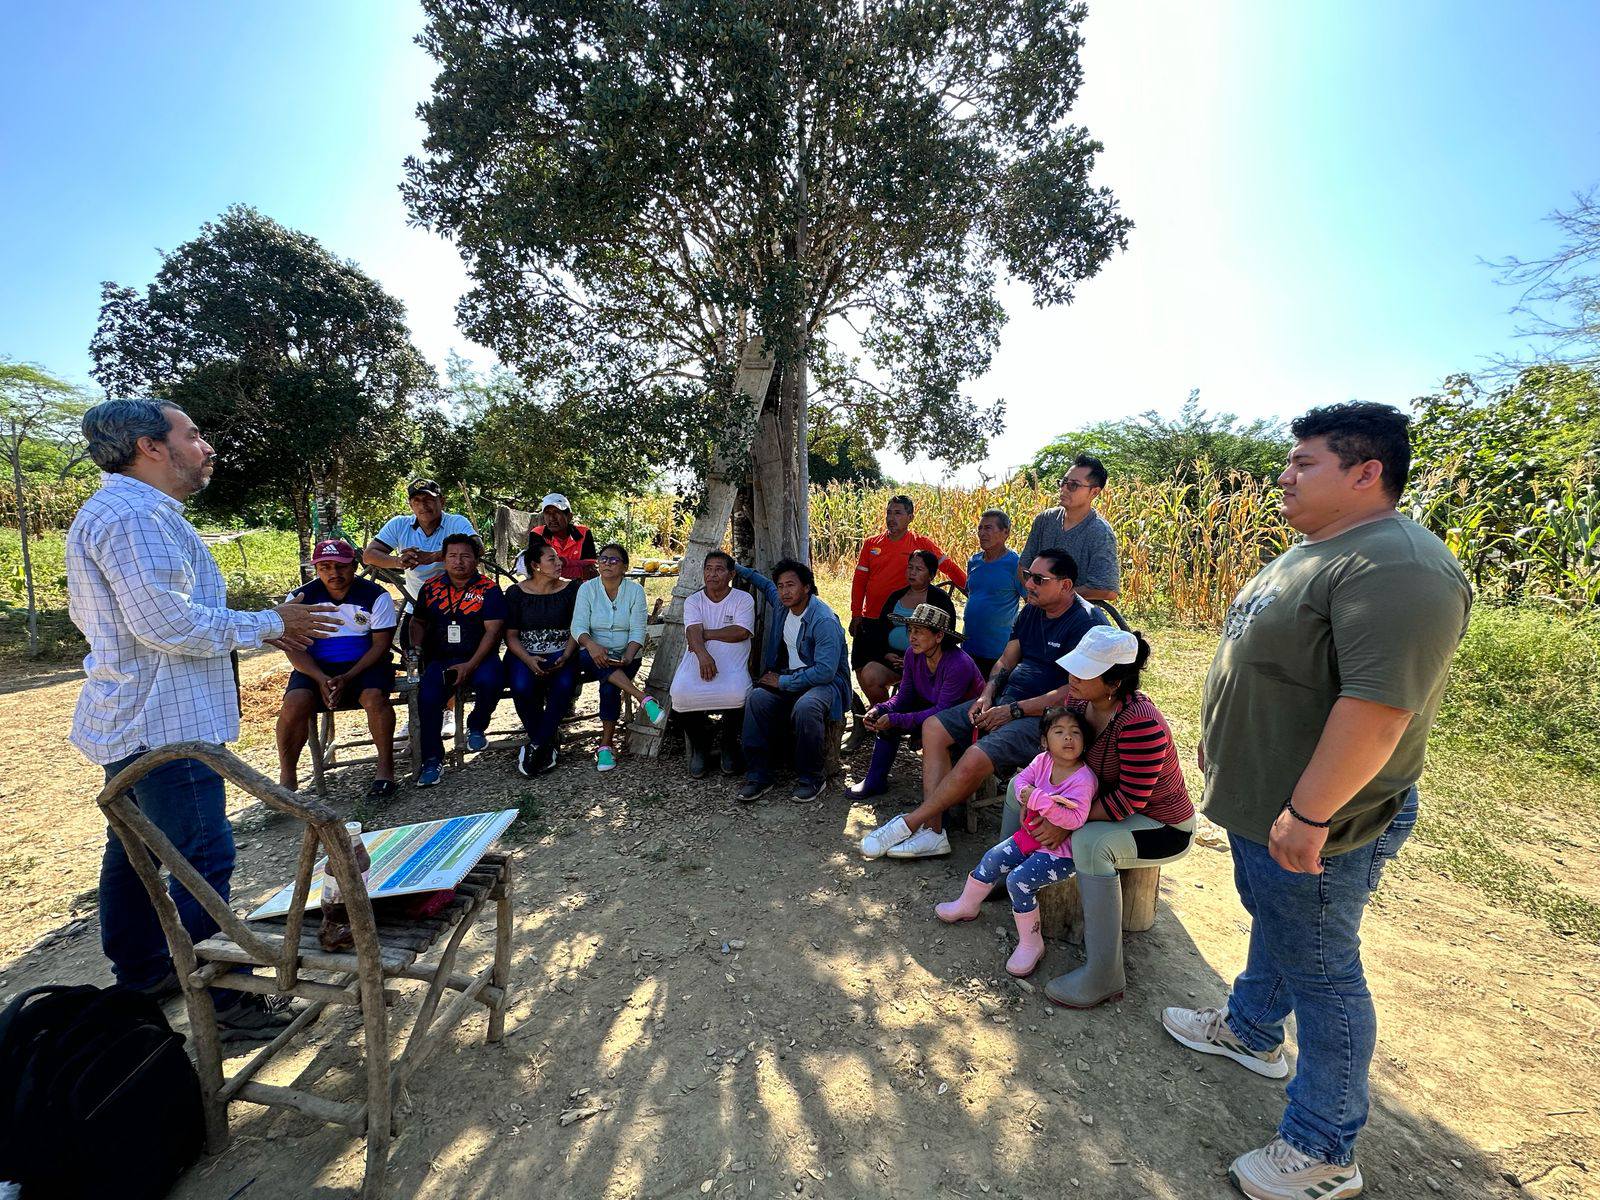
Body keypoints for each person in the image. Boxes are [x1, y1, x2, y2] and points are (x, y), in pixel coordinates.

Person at [1162, 402, 1471, 1200]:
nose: (1285, 475)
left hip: (1322, 822)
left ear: (1367, 473)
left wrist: (1308, 814)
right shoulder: (1315, 550)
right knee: (1282, 925)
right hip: (1267, 804)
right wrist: (1222, 740)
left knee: (1324, 972)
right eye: (1289, 461)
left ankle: (1324, 1146)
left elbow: (1379, 709)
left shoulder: (1398, 566)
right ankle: (1252, 1029)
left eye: (1306, 463)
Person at [67, 398, 339, 1039]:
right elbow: (167, 622)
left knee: (137, 849)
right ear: (149, 447)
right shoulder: (134, 517)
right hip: (165, 722)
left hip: (142, 714)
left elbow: (167, 615)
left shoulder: (129, 511)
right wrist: (269, 622)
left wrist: (262, 627)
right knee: (200, 855)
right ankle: (222, 1000)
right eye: (191, 434)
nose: (206, 446)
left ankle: (144, 972)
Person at [859, 549, 1108, 860]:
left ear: (1065, 585)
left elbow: (1075, 690)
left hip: (1048, 720)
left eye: (1038, 579)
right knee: (933, 727)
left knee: (977, 754)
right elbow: (1006, 660)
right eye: (1027, 576)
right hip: (1004, 703)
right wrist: (986, 695)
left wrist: (1014, 711)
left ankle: (911, 822)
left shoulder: (1086, 623)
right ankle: (934, 832)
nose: (1028, 584)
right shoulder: (1031, 612)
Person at [997, 627, 1196, 1009]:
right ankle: (1003, 872)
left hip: (1160, 825)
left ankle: (1106, 974)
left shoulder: (1140, 724)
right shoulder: (1080, 700)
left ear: (1114, 683)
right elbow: (1058, 760)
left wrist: (1063, 820)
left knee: (1090, 843)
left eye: (1084, 672)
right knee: (1016, 788)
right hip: (1098, 804)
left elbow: (1128, 801)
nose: (1072, 677)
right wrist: (1033, 794)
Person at [935, 707, 1096, 977]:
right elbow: (1021, 781)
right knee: (992, 858)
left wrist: (1037, 799)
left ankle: (1032, 943)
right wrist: (1025, 794)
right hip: (1031, 837)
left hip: (1060, 853)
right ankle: (967, 904)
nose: (1068, 738)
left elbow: (1076, 818)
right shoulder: (1043, 761)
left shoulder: (1083, 779)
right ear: (1045, 741)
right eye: (1059, 732)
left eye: (1075, 733)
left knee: (1018, 881)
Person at [274, 538, 400, 799]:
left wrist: (348, 676)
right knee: (295, 702)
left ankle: (385, 770)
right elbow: (293, 647)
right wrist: (320, 677)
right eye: (325, 567)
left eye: (341, 566)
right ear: (317, 569)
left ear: (354, 566)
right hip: (314, 667)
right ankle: (287, 779)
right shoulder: (300, 598)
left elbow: (381, 645)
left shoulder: (376, 596)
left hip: (365, 664)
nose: (334, 573)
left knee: (374, 698)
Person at [848, 494, 967, 741]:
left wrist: (970, 587)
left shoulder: (920, 544)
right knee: (862, 667)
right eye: (889, 512)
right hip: (873, 618)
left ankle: (897, 721)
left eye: (898, 513)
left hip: (906, 619)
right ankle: (880, 717)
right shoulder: (871, 544)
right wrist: (856, 612)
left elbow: (947, 566)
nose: (891, 518)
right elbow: (860, 580)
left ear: (910, 517)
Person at [735, 558, 851, 803]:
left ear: (806, 587)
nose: (784, 591)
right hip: (791, 675)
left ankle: (812, 777)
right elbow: (764, 584)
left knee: (806, 706)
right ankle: (759, 775)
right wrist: (733, 567)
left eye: (791, 585)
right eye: (781, 586)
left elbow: (825, 672)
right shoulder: (782, 604)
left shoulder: (823, 620)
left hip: (825, 683)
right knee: (756, 698)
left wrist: (783, 682)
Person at [846, 604, 984, 801]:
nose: (912, 637)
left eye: (919, 631)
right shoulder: (913, 654)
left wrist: (896, 719)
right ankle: (875, 780)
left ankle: (941, 803)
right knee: (885, 719)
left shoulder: (958, 664)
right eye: (910, 630)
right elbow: (904, 696)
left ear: (939, 636)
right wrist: (880, 709)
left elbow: (943, 711)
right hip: (933, 708)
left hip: (964, 719)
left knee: (897, 721)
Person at [411, 533, 506, 786]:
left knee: (492, 680)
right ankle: (432, 759)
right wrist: (416, 647)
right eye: (452, 555)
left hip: (480, 657)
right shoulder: (430, 588)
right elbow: (418, 621)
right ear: (444, 559)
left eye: (465, 556)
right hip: (441, 658)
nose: (458, 561)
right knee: (427, 698)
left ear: (476, 560)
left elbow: (493, 631)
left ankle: (477, 724)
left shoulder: (489, 590)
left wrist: (470, 665)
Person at [572, 543, 664, 771]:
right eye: (603, 559)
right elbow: (578, 626)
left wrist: (628, 656)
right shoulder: (587, 589)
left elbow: (638, 630)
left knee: (608, 686)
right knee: (604, 675)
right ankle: (643, 698)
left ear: (625, 567)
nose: (607, 564)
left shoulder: (635, 591)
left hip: (627, 653)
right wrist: (592, 646)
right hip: (591, 653)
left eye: (613, 560)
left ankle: (605, 746)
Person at [669, 549, 755, 778]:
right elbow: (692, 632)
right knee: (680, 693)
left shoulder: (743, 599)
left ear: (731, 575)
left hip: (732, 662)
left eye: (719, 569)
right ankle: (700, 745)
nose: (712, 574)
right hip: (699, 659)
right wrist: (703, 655)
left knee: (737, 693)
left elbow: (741, 631)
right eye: (708, 569)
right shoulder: (694, 600)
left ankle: (728, 743)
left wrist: (705, 633)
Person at [504, 537, 580, 778]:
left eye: (558, 558)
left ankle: (537, 744)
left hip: (563, 650)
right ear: (536, 565)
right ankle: (547, 741)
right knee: (521, 686)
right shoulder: (516, 593)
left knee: (564, 685)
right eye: (552, 559)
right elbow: (511, 636)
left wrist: (566, 654)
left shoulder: (572, 590)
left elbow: (578, 628)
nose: (559, 563)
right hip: (524, 652)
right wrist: (528, 659)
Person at [850, 547, 957, 715]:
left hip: (928, 662)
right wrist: (886, 654)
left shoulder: (940, 600)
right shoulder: (896, 597)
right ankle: (884, 715)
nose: (912, 572)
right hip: (895, 660)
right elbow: (881, 631)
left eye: (919, 569)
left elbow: (947, 636)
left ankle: (908, 718)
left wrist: (915, 658)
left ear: (931, 575)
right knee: (869, 673)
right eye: (910, 567)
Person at [1019, 455, 1120, 601]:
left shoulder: (1099, 532)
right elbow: (1023, 566)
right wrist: (1037, 595)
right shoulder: (1045, 520)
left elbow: (1106, 590)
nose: (1064, 489)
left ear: (1094, 492)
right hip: (1038, 608)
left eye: (1073, 485)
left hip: (1076, 613)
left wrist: (1055, 596)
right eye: (1063, 482)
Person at [363, 478, 478, 601]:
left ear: (442, 501)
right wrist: (399, 561)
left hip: (458, 603)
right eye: (416, 501)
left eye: (429, 499)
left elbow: (478, 547)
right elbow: (368, 556)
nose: (423, 506)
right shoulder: (399, 524)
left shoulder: (456, 522)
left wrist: (434, 556)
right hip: (416, 605)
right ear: (411, 505)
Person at [962, 508, 1026, 677]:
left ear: (1006, 533)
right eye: (980, 528)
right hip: (969, 646)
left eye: (988, 528)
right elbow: (974, 594)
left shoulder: (1016, 564)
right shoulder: (974, 561)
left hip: (998, 653)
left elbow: (1031, 601)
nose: (982, 533)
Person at [523, 492, 598, 581]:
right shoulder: (538, 533)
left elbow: (590, 566)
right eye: (547, 513)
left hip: (580, 585)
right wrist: (580, 572)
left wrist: (564, 562)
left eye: (557, 512)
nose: (552, 518)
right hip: (549, 585)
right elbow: (540, 570)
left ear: (569, 516)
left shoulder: (584, 532)